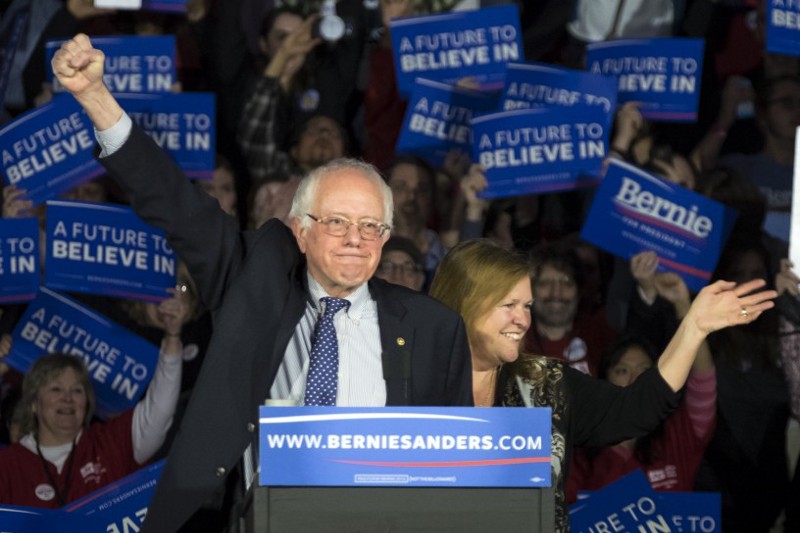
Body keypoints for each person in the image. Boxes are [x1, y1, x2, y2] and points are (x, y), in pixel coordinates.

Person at [51, 33, 472, 532]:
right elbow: (175, 203)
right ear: (301, 229)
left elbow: (456, 471)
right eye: (337, 222)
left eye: (370, 227)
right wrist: (96, 97)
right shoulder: (254, 278)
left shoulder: (433, 328)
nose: (355, 239)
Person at [428, 238, 775, 532]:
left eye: (527, 306)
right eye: (509, 305)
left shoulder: (545, 383)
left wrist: (694, 327)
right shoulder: (410, 382)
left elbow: (634, 410)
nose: (522, 320)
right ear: (466, 305)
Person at [0, 287, 188, 507]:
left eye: (77, 390)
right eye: (55, 389)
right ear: (33, 403)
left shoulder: (112, 444)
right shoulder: (8, 465)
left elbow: (161, 410)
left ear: (87, 403)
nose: (67, 398)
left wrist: (173, 338)